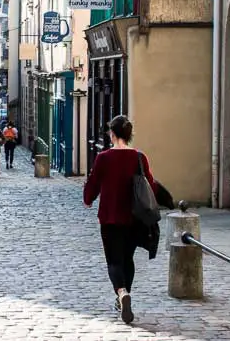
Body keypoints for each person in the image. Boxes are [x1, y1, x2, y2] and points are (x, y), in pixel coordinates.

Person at [83, 115, 157, 325]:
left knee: (114, 261)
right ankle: (124, 296)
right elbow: (149, 183)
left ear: (113, 135)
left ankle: (122, 292)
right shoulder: (139, 158)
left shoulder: (104, 158)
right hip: (134, 218)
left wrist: (88, 199)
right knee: (127, 260)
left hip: (110, 217)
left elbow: (94, 182)